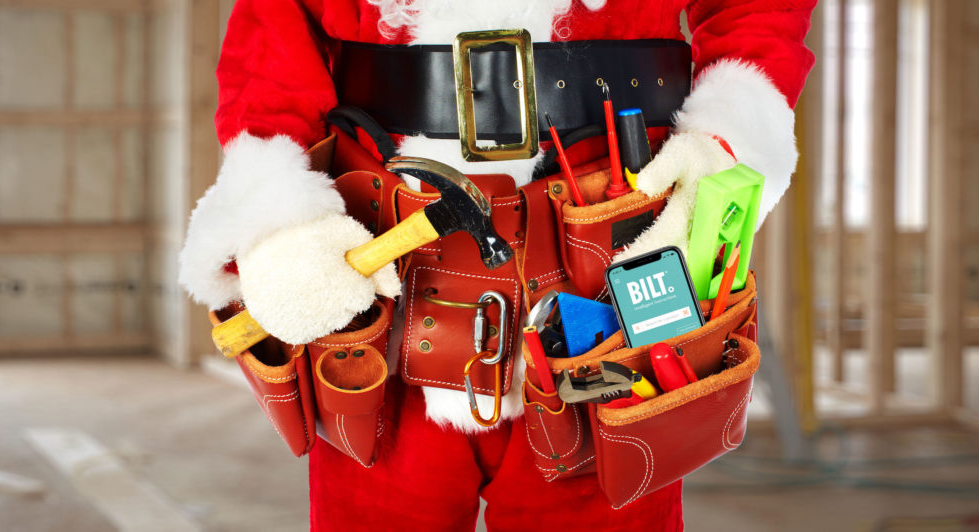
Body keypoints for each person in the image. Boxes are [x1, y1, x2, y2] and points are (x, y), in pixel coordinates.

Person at [179, 1, 815, 529]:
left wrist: (723, 143)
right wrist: (281, 215)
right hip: (382, 298)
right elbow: (271, 38)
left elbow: (760, 11)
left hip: (609, 286)